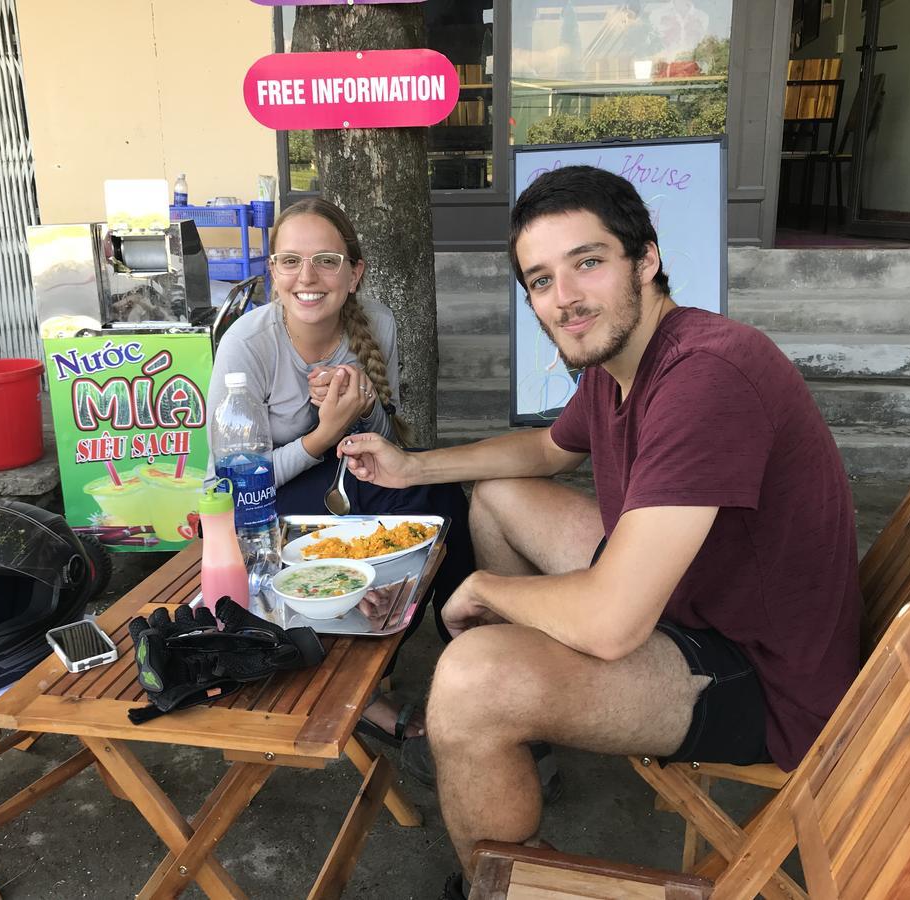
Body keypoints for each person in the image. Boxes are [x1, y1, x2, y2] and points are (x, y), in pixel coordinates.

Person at [337, 166, 862, 897]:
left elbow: (614, 625)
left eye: (588, 262)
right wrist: (407, 467)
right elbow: (548, 450)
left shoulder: (706, 374)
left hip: (761, 672)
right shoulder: (624, 360)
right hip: (694, 592)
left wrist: (488, 591)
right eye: (542, 280)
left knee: (467, 679)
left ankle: (504, 850)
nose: (566, 299)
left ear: (645, 259)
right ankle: (520, 731)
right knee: (495, 498)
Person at [207, 198, 475, 747]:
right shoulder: (247, 346)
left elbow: (385, 429)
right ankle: (363, 687)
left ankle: (464, 652)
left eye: (326, 260)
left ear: (354, 274)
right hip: (268, 499)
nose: (308, 277)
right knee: (335, 537)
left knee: (442, 498)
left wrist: (360, 407)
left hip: (353, 467)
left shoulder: (376, 322)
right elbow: (233, 485)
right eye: (290, 261)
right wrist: (322, 434)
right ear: (272, 274)